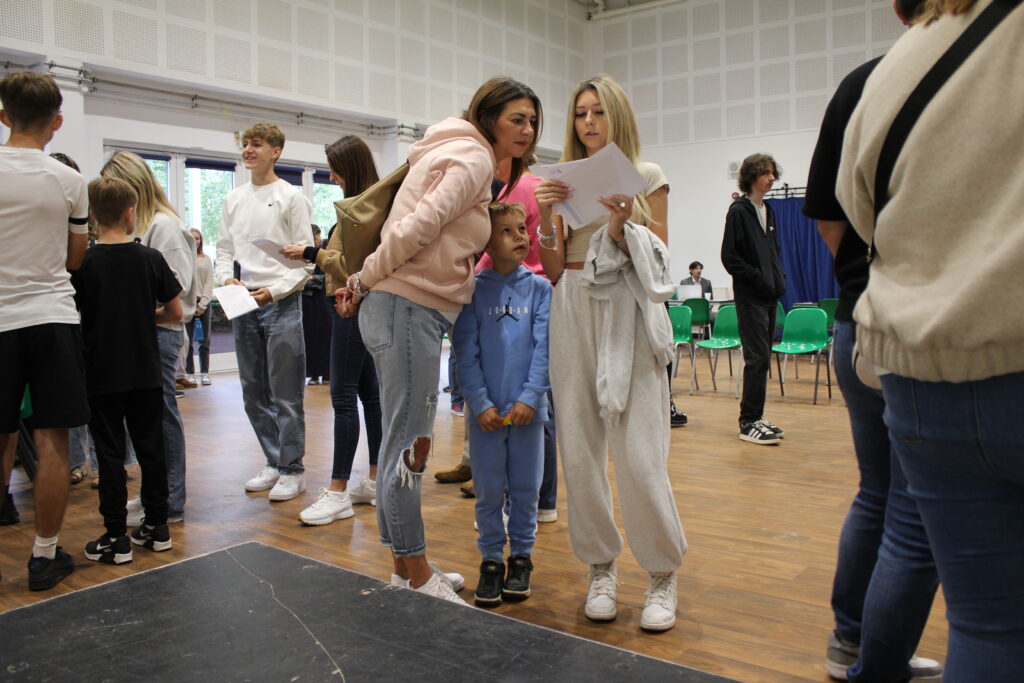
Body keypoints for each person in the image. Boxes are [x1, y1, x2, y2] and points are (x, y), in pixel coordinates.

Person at [836, 0, 1024, 679]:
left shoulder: (893, 67)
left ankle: (861, 656)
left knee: (986, 627)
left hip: (919, 376)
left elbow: (855, 212)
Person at [334, 77, 541, 604]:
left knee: (398, 440)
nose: (528, 129)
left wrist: (369, 281)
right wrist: (363, 278)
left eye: (533, 120)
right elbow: (414, 229)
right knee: (411, 446)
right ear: (489, 117)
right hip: (406, 306)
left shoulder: (451, 149)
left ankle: (406, 568)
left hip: (402, 306)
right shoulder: (472, 158)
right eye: (517, 118)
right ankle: (418, 571)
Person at [804, 1, 944, 680]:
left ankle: (854, 640)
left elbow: (830, 221)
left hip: (856, 317)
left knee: (878, 492)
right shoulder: (957, 68)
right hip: (916, 325)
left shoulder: (861, 82)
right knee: (915, 510)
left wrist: (861, 278)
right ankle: (878, 656)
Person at [534, 73, 686, 631]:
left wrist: (623, 227)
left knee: (641, 453)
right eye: (580, 114)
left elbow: (663, 259)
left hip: (626, 301)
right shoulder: (560, 180)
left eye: (598, 111)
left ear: (616, 115)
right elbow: (551, 268)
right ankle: (601, 566)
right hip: (572, 303)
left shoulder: (647, 174)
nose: (588, 122)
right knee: (578, 448)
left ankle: (662, 573)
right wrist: (550, 213)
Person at [0, 71, 89, 590]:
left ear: (4, 115)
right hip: (51, 316)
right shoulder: (69, 181)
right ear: (57, 122)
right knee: (54, 438)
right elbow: (76, 258)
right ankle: (44, 555)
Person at [73, 177, 182, 564]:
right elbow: (174, 312)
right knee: (152, 449)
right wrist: (142, 316)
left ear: (91, 217)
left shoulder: (85, 262)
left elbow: (76, 315)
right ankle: (157, 527)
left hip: (102, 372)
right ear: (130, 212)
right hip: (145, 371)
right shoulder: (149, 258)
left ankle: (116, 537)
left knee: (110, 455)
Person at [281, 135, 383, 526]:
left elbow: (351, 267)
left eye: (334, 167)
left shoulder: (361, 211)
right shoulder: (365, 205)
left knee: (343, 398)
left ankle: (338, 491)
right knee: (370, 397)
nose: (330, 175)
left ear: (350, 167)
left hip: (350, 306)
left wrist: (312, 253)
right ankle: (373, 481)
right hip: (355, 305)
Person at [453, 202, 551, 607]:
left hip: (528, 414)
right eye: (507, 231)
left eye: (522, 229)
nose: (520, 236)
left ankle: (522, 558)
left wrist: (531, 396)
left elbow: (545, 348)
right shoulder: (472, 290)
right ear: (486, 241)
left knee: (526, 490)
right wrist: (479, 402)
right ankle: (492, 561)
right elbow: (465, 351)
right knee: (490, 491)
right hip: (487, 416)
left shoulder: (542, 289)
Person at [216, 123, 313, 503]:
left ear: (276, 151)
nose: (248, 150)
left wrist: (272, 292)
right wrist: (226, 278)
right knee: (253, 391)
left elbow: (306, 262)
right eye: (245, 144)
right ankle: (274, 461)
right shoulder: (233, 199)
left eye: (256, 144)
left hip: (280, 301)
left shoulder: (292, 197)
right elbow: (224, 249)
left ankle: (293, 469)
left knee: (285, 393)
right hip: (243, 301)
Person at [101, 151, 196, 526]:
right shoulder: (144, 226)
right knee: (145, 421)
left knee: (161, 418)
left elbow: (176, 288)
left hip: (162, 333)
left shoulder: (164, 226)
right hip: (145, 333)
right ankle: (155, 494)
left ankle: (170, 499)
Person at [721, 153, 786, 445]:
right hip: (750, 296)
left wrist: (777, 280)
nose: (772, 178)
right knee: (756, 358)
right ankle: (748, 421)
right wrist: (760, 280)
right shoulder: (738, 211)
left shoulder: (768, 210)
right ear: (752, 176)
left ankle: (757, 416)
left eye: (774, 173)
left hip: (770, 295)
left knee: (763, 358)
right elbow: (730, 258)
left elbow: (772, 253)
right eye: (766, 173)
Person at [300, 224, 331, 386]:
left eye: (318, 237)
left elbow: (329, 277)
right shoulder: (301, 257)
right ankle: (312, 374)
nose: (318, 240)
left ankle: (327, 373)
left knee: (325, 336)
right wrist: (309, 281)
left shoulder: (324, 254)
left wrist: (313, 280)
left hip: (323, 300)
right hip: (307, 301)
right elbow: (298, 279)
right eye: (315, 237)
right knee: (309, 337)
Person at [185, 228, 214, 386]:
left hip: (204, 304)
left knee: (204, 341)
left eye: (197, 238)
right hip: (188, 303)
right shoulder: (184, 259)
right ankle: (189, 373)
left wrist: (202, 304)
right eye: (192, 238)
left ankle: (204, 373)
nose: (195, 241)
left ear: (200, 241)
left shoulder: (206, 259)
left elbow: (209, 282)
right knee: (187, 341)